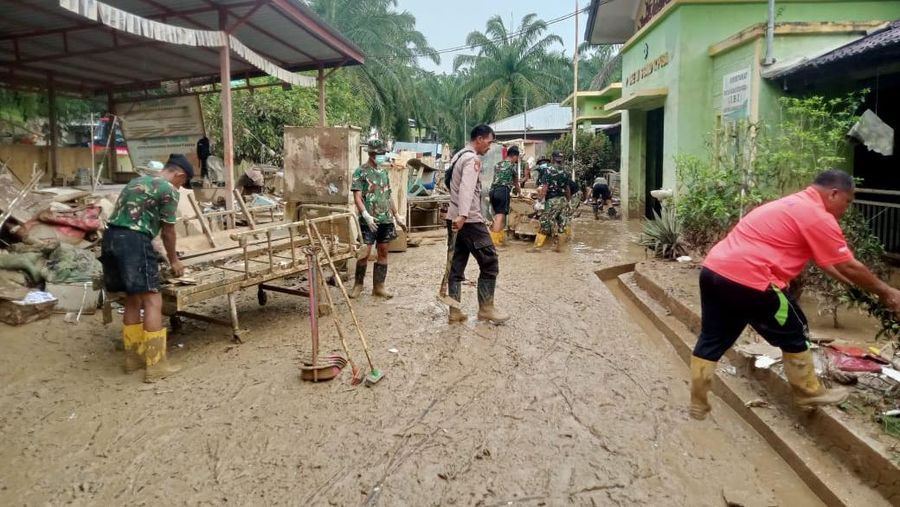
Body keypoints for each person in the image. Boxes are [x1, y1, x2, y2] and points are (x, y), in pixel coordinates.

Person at [690, 169, 900, 420]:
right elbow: (848, 264)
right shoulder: (818, 216)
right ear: (834, 193)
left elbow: (828, 263)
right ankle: (808, 393)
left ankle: (698, 400)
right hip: (753, 280)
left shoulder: (789, 204)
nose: (847, 208)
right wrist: (887, 292)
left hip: (715, 272)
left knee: (713, 338)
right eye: (848, 201)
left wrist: (856, 288)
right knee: (796, 331)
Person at [101, 154, 192, 383]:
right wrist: (174, 260)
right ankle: (156, 365)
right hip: (134, 242)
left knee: (133, 297)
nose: (181, 187)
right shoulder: (169, 189)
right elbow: (168, 231)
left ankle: (133, 358)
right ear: (179, 175)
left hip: (111, 238)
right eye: (183, 182)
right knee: (153, 300)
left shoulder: (136, 182)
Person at [446, 124, 509, 324]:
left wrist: (457, 213)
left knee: (456, 265)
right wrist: (464, 215)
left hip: (454, 217)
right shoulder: (472, 159)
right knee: (490, 261)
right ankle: (486, 308)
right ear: (480, 139)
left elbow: (449, 183)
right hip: (469, 220)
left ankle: (455, 311)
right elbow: (466, 188)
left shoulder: (458, 156)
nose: (489, 147)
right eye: (489, 142)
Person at [349, 139, 407, 299]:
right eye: (380, 154)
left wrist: (397, 215)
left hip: (385, 220)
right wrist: (365, 215)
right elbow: (357, 197)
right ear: (372, 154)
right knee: (364, 253)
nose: (382, 156)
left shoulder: (383, 173)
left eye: (383, 153)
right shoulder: (360, 172)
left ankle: (379, 287)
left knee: (383, 252)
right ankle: (358, 285)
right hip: (369, 221)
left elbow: (388, 196)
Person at [534, 151, 573, 252]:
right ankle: (560, 248)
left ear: (552, 158)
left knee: (544, 223)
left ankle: (537, 247)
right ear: (561, 159)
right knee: (562, 224)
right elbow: (567, 188)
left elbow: (545, 187)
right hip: (563, 200)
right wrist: (568, 201)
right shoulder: (565, 171)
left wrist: (539, 200)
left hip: (552, 200)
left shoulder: (548, 170)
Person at [488, 145, 522, 247]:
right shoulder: (512, 166)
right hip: (502, 191)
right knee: (500, 216)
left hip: (493, 191)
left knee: (499, 217)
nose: (517, 160)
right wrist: (520, 193)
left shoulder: (497, 164)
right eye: (517, 158)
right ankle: (494, 244)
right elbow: (516, 183)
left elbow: (496, 179)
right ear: (515, 156)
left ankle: (500, 239)